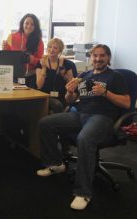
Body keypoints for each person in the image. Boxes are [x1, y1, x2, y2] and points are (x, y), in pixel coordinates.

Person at [36, 44, 130, 210]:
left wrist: (106, 93)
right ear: (91, 57)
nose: (98, 59)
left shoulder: (115, 76)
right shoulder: (84, 75)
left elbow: (127, 103)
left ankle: (83, 193)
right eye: (95, 56)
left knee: (84, 139)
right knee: (45, 123)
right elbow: (71, 100)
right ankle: (56, 163)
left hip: (103, 117)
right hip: (80, 114)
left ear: (108, 58)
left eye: (102, 56)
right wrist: (70, 92)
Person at [36, 38, 77, 114]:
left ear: (60, 51)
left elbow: (72, 85)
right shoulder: (41, 63)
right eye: (50, 47)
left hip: (63, 96)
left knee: (60, 105)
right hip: (46, 96)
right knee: (56, 105)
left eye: (55, 48)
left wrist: (63, 74)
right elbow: (39, 86)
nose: (51, 50)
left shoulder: (67, 64)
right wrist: (44, 68)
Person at [3, 13, 44, 88]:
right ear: (22, 24)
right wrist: (4, 49)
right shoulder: (12, 36)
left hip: (31, 76)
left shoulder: (39, 41)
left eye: (32, 24)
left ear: (35, 27)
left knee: (29, 99)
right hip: (14, 74)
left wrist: (33, 59)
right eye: (27, 23)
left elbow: (41, 62)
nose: (29, 26)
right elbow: (6, 57)